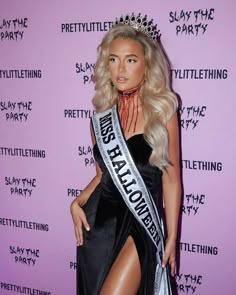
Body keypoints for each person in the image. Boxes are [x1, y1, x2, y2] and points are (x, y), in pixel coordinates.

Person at [70, 13, 181, 295]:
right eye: (113, 59)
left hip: (140, 224)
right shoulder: (99, 119)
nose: (120, 68)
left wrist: (171, 237)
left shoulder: (162, 113)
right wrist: (78, 201)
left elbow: (170, 180)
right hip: (102, 225)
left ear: (147, 65)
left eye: (130, 59)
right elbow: (103, 176)